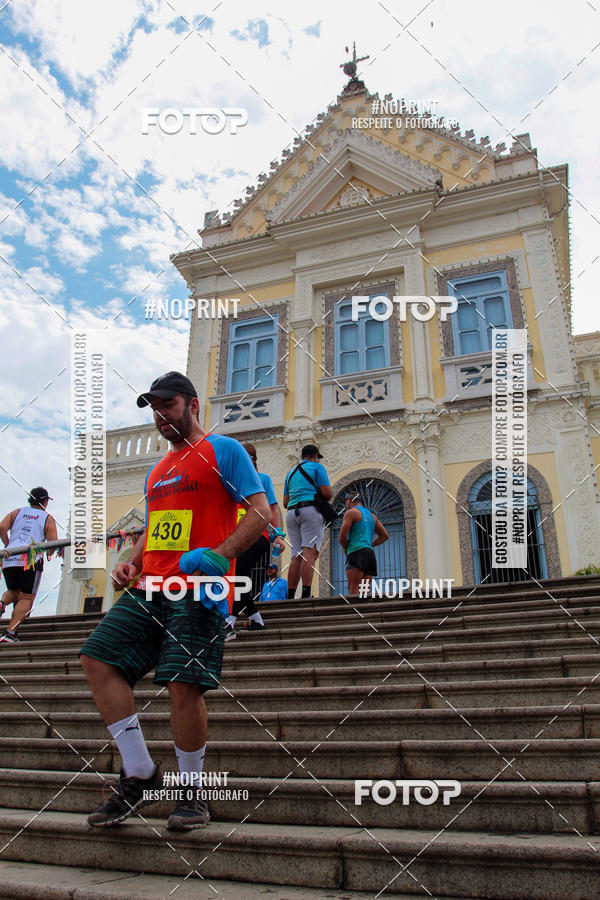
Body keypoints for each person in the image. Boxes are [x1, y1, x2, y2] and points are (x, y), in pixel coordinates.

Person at [79, 371, 269, 831]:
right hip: (149, 587)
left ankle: (190, 793)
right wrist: (131, 560)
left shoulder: (224, 451)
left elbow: (262, 512)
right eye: (154, 408)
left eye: (169, 405)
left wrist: (219, 555)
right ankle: (140, 773)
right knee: (98, 658)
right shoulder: (158, 471)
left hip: (199, 589)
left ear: (192, 404)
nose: (161, 415)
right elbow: (155, 527)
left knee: (183, 686)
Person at [226, 442, 285, 639]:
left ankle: (229, 621)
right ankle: (255, 619)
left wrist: (278, 535)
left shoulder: (262, 479)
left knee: (237, 576)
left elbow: (274, 509)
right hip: (236, 537)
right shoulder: (231, 481)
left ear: (252, 459)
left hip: (258, 536)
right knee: (238, 576)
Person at [0, 487, 57, 643]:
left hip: (10, 556)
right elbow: (53, 543)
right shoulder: (47, 518)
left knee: (13, 590)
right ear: (45, 501)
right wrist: (50, 553)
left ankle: (1, 603)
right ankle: (10, 633)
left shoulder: (17, 512)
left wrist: (9, 544)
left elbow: (2, 528)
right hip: (30, 559)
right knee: (26, 597)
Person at [283, 445, 332, 599]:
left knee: (296, 555)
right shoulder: (317, 467)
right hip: (310, 510)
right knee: (309, 552)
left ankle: (290, 595)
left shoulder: (290, 473)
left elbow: (285, 502)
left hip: (291, 513)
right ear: (315, 456)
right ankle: (305, 594)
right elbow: (327, 493)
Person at [338, 488, 389, 595]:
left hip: (356, 552)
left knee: (354, 590)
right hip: (369, 554)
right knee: (365, 591)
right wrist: (370, 544)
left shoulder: (350, 513)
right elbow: (384, 536)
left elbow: (342, 537)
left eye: (346, 502)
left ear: (349, 500)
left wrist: (345, 550)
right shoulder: (372, 516)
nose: (346, 505)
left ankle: (355, 612)